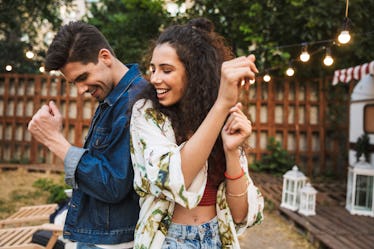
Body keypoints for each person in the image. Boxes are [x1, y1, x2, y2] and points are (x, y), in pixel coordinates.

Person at [130, 18, 264, 249]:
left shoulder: (221, 115)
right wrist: (221, 104)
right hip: (168, 239)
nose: (154, 79)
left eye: (166, 70)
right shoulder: (147, 114)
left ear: (195, 73)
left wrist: (232, 152)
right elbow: (172, 179)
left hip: (217, 238)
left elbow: (241, 215)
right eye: (153, 69)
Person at [28, 21, 146, 249]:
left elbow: (113, 185)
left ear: (105, 57)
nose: (80, 90)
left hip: (114, 243)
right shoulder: (113, 98)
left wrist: (54, 140)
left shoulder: (134, 103)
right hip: (100, 235)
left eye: (82, 77)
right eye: (74, 83)